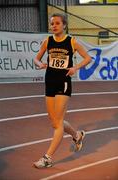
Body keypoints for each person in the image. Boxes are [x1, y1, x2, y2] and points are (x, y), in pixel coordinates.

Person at [33, 13, 91, 168]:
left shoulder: (71, 41)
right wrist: (39, 64)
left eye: (57, 23)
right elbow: (36, 58)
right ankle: (77, 135)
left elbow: (87, 58)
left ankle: (47, 158)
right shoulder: (48, 41)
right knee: (54, 121)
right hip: (49, 82)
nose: (54, 26)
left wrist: (75, 68)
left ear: (64, 25)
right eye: (52, 24)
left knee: (58, 122)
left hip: (63, 82)